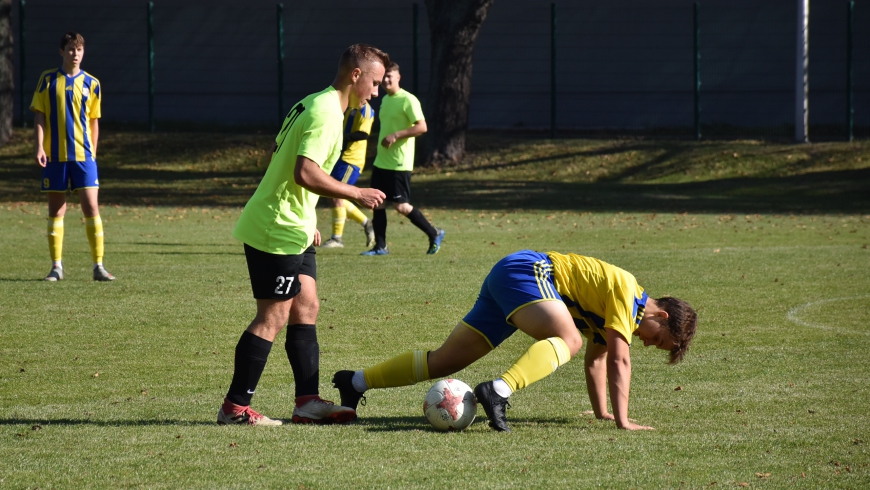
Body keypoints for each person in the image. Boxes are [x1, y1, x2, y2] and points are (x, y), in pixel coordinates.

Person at [333, 250, 697, 432]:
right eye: (658, 340)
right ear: (660, 316)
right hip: (527, 271)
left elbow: (597, 361)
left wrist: (603, 412)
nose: (648, 345)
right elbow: (619, 360)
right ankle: (498, 391)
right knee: (567, 337)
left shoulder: (621, 318)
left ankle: (354, 382)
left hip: (510, 278)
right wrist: (623, 421)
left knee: (445, 361)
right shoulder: (628, 293)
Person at [217, 44, 389, 426]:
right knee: (273, 315)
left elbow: (284, 157)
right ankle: (234, 408)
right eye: (374, 83)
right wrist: (355, 192)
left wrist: (308, 214)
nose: (375, 93)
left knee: (306, 304)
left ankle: (307, 402)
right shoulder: (326, 113)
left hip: (294, 221)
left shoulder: (316, 102)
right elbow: (304, 172)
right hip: (275, 225)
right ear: (355, 76)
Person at [31, 32, 114, 282]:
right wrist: (39, 147)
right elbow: (40, 115)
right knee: (56, 211)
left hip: (83, 157)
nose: (74, 54)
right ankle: (56, 267)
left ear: (83, 52)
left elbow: (94, 121)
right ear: (61, 52)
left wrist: (93, 154)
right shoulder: (47, 80)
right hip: (55, 157)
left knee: (91, 208)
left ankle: (98, 266)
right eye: (70, 49)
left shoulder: (92, 83)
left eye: (78, 50)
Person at [361, 62, 444, 256]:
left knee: (401, 206)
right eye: (384, 77)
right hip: (382, 161)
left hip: (399, 163)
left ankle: (434, 233)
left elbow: (422, 127)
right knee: (378, 203)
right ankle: (381, 247)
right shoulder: (385, 100)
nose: (387, 80)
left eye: (391, 76)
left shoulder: (408, 99)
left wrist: (396, 135)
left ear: (399, 77)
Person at [319, 102, 376, 249]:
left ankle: (337, 239)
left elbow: (363, 134)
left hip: (351, 160)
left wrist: (342, 137)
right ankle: (367, 223)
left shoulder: (366, 110)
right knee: (332, 194)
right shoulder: (351, 107)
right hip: (342, 157)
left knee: (336, 195)